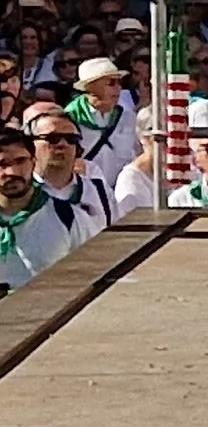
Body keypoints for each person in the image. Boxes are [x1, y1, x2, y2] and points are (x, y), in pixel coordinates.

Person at [26, 107, 116, 242]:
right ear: (30, 146)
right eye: (53, 138)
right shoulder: (20, 195)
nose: (63, 144)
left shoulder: (99, 190)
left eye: (71, 139)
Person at [0, 128, 73, 290]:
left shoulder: (68, 216)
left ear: (33, 161)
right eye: (2, 164)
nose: (11, 172)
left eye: (20, 161)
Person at [64, 56, 135, 183]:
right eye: (111, 83)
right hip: (88, 192)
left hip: (122, 191)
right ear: (90, 87)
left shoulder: (127, 117)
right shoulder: (69, 120)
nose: (118, 88)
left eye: (120, 83)